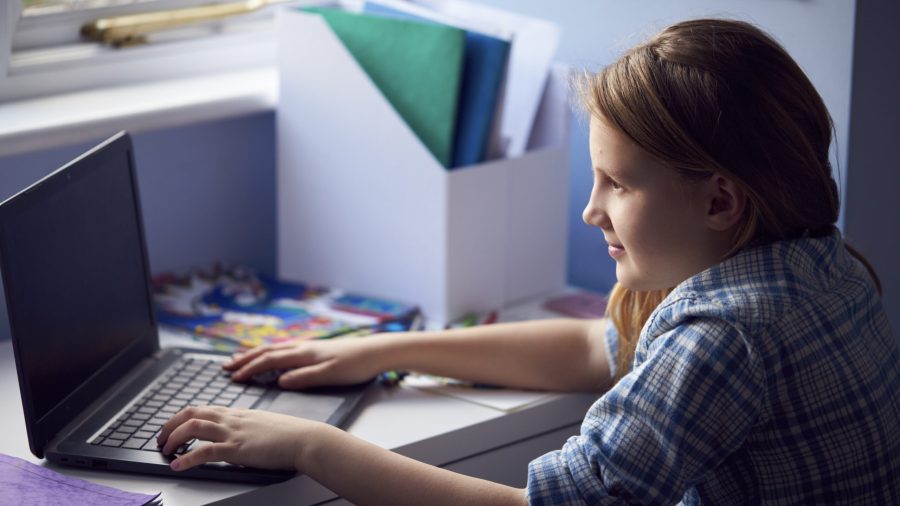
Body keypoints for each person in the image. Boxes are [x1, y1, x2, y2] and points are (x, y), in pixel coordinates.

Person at [157, 18, 900, 504]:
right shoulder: (814, 261)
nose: (591, 210)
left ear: (719, 203)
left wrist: (312, 446)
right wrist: (381, 350)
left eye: (617, 184)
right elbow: (592, 345)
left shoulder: (724, 335)